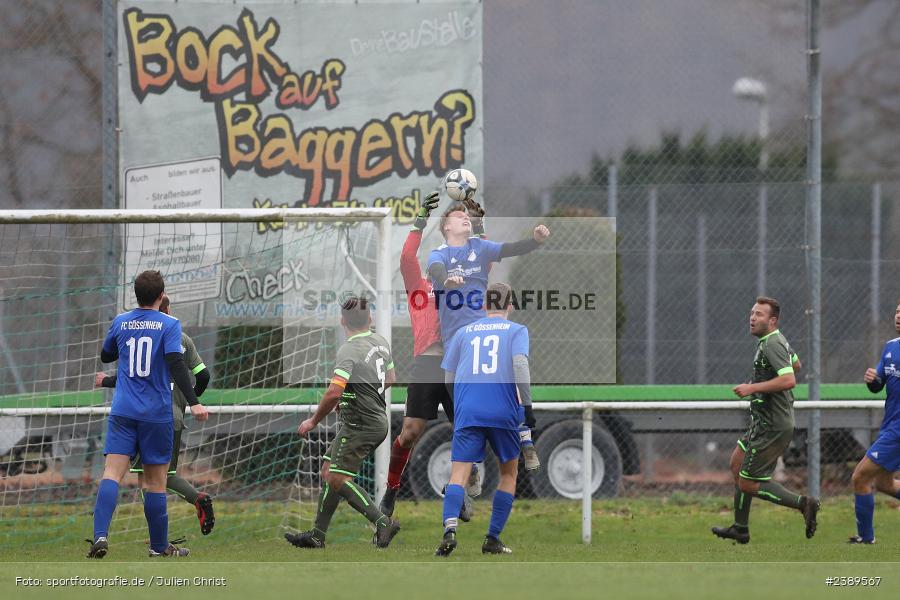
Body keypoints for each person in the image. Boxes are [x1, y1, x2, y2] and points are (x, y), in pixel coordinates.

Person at [87, 271, 209, 559]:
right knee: (155, 482)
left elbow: (106, 356)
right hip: (156, 415)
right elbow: (176, 364)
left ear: (136, 294)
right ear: (161, 296)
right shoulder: (170, 324)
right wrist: (194, 403)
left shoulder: (120, 321)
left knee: (111, 475)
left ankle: (101, 536)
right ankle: (158, 547)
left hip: (123, 412)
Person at [427, 200, 547, 479]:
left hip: (488, 329)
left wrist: (535, 240)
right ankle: (470, 468)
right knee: (464, 405)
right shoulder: (440, 254)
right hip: (460, 340)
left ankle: (526, 439)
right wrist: (446, 280)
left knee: (511, 377)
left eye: (468, 216)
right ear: (446, 226)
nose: (466, 218)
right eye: (459, 216)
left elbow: (510, 249)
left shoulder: (480, 249)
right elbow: (435, 269)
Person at [379, 191, 481, 519]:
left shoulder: (465, 280)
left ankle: (461, 488)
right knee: (410, 432)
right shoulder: (420, 286)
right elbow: (407, 256)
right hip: (427, 362)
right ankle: (391, 491)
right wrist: (420, 219)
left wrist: (476, 223)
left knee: (465, 428)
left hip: (456, 363)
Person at [285, 296, 401, 549]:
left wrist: (313, 421)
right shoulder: (380, 342)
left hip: (362, 424)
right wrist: (358, 394)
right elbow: (390, 378)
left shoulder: (349, 349)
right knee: (328, 471)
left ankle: (383, 522)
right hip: (371, 420)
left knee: (337, 478)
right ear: (370, 319)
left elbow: (333, 392)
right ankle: (317, 535)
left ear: (341, 321)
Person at [435, 282, 535, 556]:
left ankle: (450, 530)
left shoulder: (463, 332)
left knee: (459, 472)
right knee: (509, 473)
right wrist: (527, 405)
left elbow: (448, 379)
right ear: (510, 305)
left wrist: (462, 404)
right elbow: (520, 365)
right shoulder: (517, 331)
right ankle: (492, 539)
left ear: (483, 306)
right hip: (503, 410)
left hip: (469, 410)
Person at [712, 296, 818, 545]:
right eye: (752, 313)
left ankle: (804, 504)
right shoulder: (773, 340)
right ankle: (740, 528)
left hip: (773, 424)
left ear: (772, 321)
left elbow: (790, 379)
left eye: (759, 314)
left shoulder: (772, 343)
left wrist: (753, 388)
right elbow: (796, 363)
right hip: (762, 421)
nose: (752, 317)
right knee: (737, 464)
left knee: (748, 483)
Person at [851, 301, 900, 544]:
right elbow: (878, 384)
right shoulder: (890, 348)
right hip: (890, 425)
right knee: (884, 483)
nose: (899, 316)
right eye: (898, 311)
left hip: (898, 430)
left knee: (860, 476)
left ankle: (866, 538)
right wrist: (872, 379)